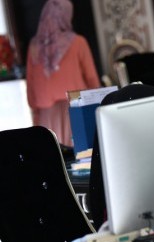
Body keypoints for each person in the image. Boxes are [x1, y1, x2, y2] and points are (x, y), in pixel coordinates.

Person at [26, 0, 100, 147]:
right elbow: (92, 80)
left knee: (54, 162)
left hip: (46, 118)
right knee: (82, 163)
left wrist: (36, 116)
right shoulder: (78, 42)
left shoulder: (34, 47)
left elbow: (31, 87)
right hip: (77, 111)